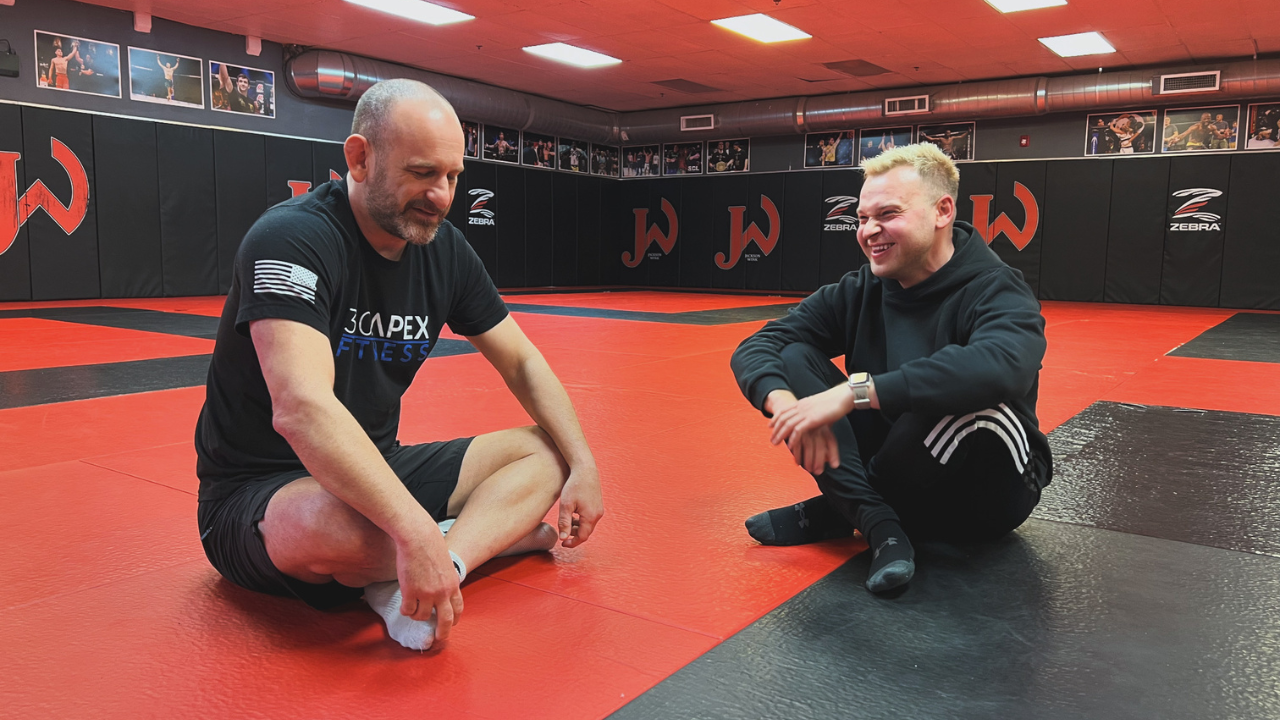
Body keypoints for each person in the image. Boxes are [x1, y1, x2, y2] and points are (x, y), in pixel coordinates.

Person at [194, 79, 604, 651]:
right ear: (360, 158)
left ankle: (440, 565)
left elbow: (521, 361)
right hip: (262, 492)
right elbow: (302, 408)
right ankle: (473, 540)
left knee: (547, 451)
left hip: (377, 467)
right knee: (333, 524)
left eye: (453, 176)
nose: (441, 195)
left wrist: (585, 463)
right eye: (422, 172)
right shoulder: (293, 239)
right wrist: (410, 529)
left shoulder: (444, 250)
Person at [730, 143, 1051, 594]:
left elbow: (1001, 368)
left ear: (942, 211)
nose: (868, 231)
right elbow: (760, 345)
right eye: (862, 218)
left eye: (888, 214)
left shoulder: (996, 288)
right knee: (791, 357)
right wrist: (787, 407)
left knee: (966, 400)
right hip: (898, 470)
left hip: (984, 496)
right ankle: (879, 523)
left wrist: (853, 392)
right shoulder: (861, 289)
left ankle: (842, 509)